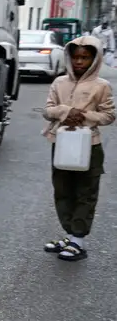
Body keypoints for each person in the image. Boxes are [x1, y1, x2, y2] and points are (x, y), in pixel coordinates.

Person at [42, 35, 115, 261]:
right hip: (62, 144)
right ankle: (70, 235)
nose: (79, 62)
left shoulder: (101, 86)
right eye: (75, 58)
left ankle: (78, 241)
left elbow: (109, 115)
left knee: (85, 191)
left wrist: (83, 116)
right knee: (63, 190)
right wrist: (66, 112)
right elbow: (48, 110)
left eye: (85, 58)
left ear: (95, 60)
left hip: (89, 146)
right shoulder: (59, 83)